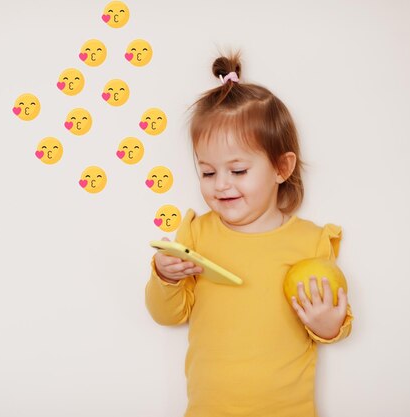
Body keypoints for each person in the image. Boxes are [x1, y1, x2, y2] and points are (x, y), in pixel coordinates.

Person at [145, 53, 354, 417]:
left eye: (238, 170)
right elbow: (167, 316)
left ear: (281, 167)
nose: (221, 184)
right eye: (208, 173)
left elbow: (337, 321)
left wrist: (328, 324)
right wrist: (164, 276)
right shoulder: (197, 232)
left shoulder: (311, 241)